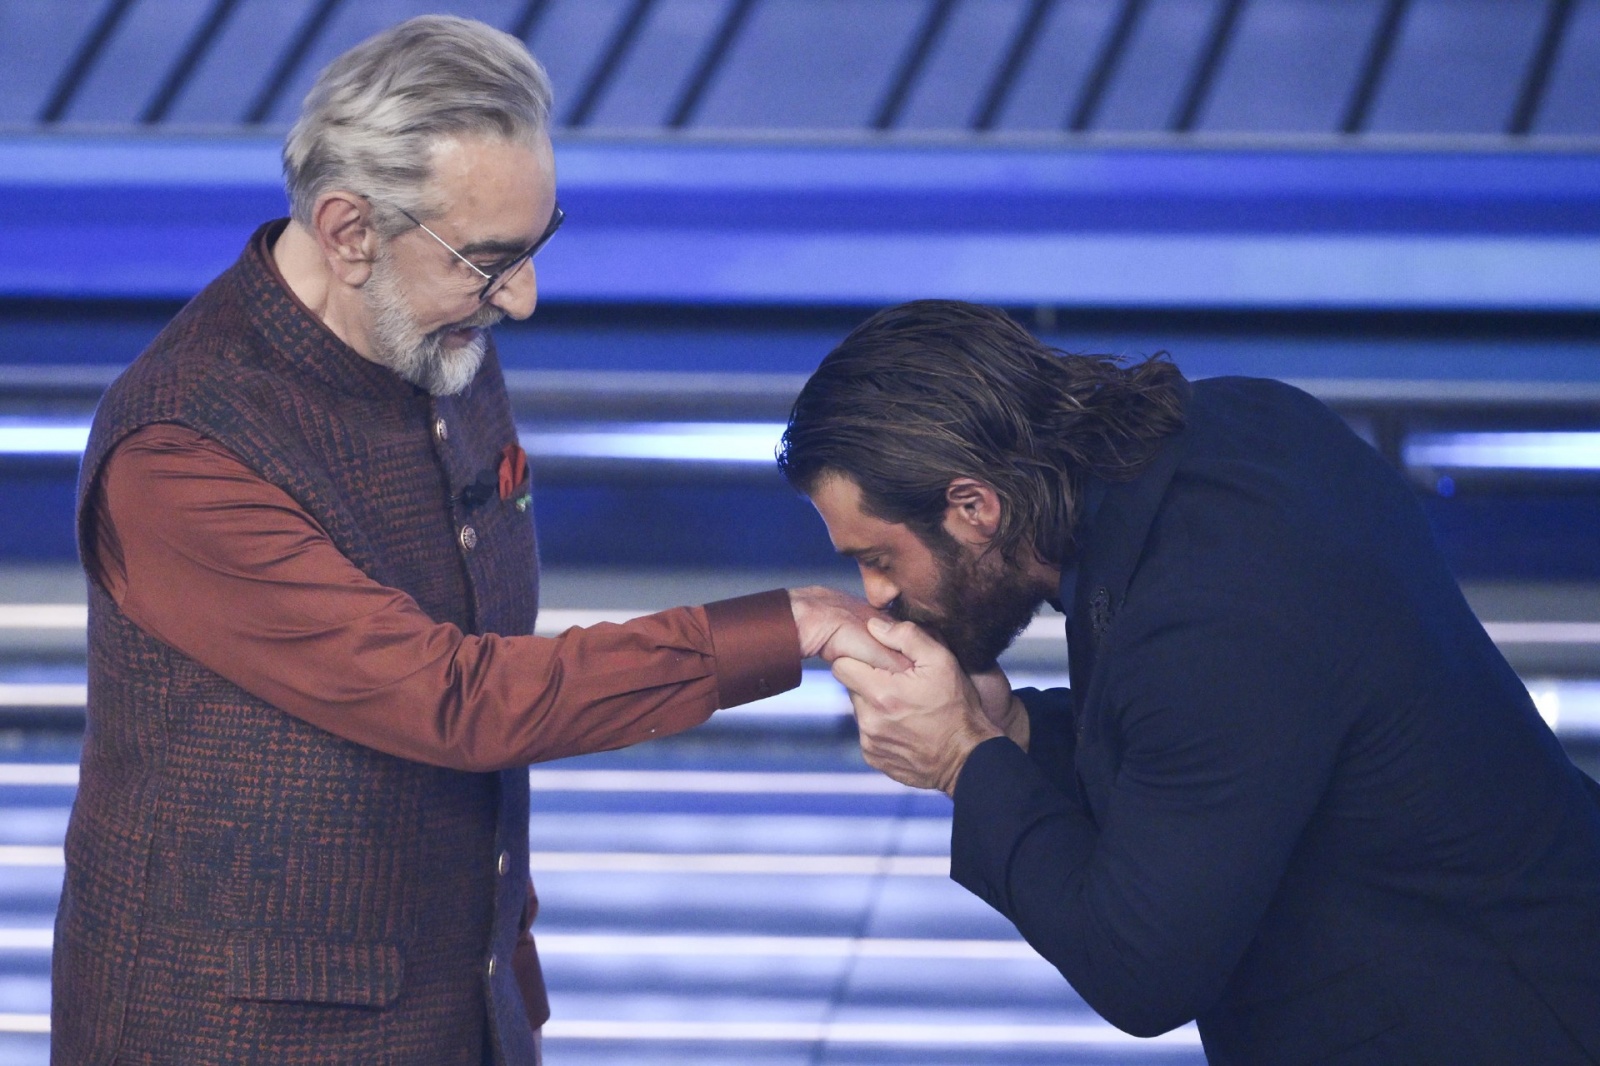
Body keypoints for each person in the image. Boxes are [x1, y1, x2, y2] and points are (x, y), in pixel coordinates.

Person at [53, 16, 887, 1066]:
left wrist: (503, 974)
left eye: (536, 248)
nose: (524, 300)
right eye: (491, 262)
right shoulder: (184, 451)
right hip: (240, 1031)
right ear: (350, 230)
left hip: (456, 1004)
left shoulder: (434, 337)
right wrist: (788, 629)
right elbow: (451, 698)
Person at [778, 299, 1600, 1063]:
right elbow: (1215, 748)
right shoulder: (1236, 428)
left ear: (972, 507)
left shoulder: (1208, 607)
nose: (878, 596)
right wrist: (1014, 732)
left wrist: (965, 760)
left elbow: (1139, 970)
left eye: (877, 560)